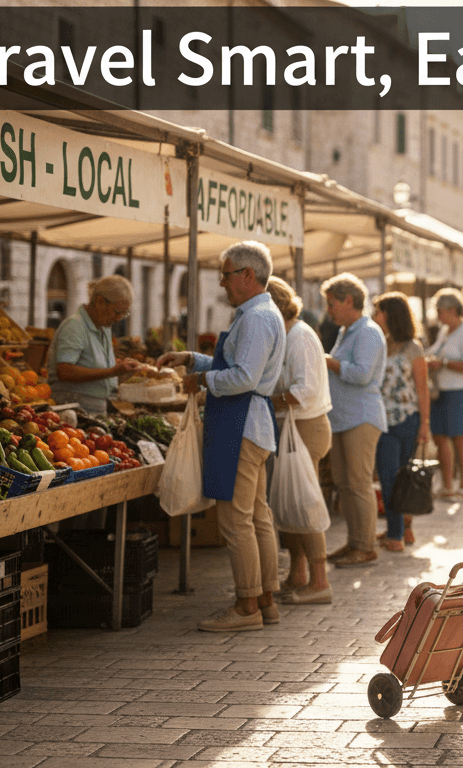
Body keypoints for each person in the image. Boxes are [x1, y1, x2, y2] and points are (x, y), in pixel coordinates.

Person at [157, 241, 286, 632]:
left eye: (226, 275)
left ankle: (247, 606)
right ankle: (265, 600)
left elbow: (243, 377)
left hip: (242, 424)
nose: (222, 283)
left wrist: (201, 379)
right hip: (251, 423)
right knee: (257, 516)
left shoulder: (257, 317)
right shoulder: (259, 314)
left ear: (248, 275)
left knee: (235, 520)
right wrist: (193, 360)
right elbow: (240, 366)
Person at [267, 277, 335, 605]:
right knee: (289, 502)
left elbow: (303, 389)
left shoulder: (299, 336)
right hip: (293, 428)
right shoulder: (288, 335)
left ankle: (320, 581)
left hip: (306, 428)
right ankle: (298, 573)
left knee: (305, 502)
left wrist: (272, 400)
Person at [322, 273, 388, 568]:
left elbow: (361, 374)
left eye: (332, 303)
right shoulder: (347, 331)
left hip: (361, 417)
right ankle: (354, 542)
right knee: (344, 483)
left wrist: (329, 362)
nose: (329, 309)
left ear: (349, 300)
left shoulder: (368, 332)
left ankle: (365, 545)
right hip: (343, 418)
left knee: (359, 483)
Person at [372, 292, 432, 552]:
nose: (374, 316)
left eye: (378, 311)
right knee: (388, 478)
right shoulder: (380, 343)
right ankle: (396, 532)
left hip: (408, 420)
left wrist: (425, 424)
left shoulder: (413, 347)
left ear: (390, 314)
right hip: (382, 420)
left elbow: (422, 389)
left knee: (403, 479)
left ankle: (402, 530)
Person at [51, 275, 140, 415]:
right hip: (73, 409)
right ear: (100, 301)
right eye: (117, 312)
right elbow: (64, 370)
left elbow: (91, 364)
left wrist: (117, 367)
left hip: (94, 407)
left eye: (124, 314)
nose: (118, 318)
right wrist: (111, 372)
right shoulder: (75, 326)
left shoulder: (103, 327)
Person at [426, 288, 463, 502]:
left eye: (440, 310)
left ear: (451, 310)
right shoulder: (444, 330)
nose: (438, 315)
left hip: (462, 391)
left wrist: (445, 363)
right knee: (440, 438)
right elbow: (436, 351)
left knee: (460, 437)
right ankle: (447, 485)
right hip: (442, 391)